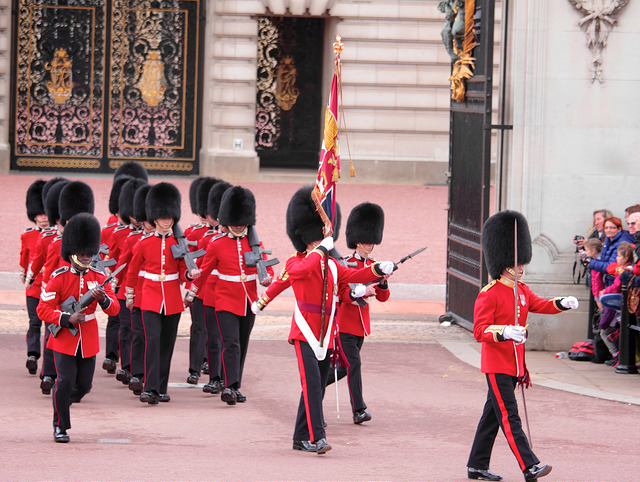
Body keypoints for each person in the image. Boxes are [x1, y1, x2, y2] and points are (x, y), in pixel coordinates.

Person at [253, 186, 395, 455]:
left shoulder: (331, 264)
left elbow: (354, 277)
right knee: (312, 384)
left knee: (316, 386)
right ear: (308, 236)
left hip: (327, 332)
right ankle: (318, 437)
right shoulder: (297, 262)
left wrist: (378, 269)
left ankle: (299, 438)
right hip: (305, 331)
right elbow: (289, 279)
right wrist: (261, 303)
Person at [467, 210, 579, 482]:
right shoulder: (489, 293)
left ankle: (476, 466)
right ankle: (530, 466)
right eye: (515, 264)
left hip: (515, 365)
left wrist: (561, 303)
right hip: (497, 364)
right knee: (510, 417)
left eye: (521, 263)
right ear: (503, 263)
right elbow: (479, 331)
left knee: (492, 417)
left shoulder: (522, 290)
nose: (520, 267)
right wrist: (504, 331)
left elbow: (540, 304)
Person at [36, 213, 120, 443]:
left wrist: (102, 300)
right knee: (64, 381)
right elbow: (43, 309)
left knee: (84, 385)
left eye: (88, 253)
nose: (85, 256)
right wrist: (66, 318)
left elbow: (114, 309)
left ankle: (60, 400)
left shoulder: (99, 276)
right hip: (64, 338)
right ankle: (60, 425)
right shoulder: (59, 278)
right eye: (81, 253)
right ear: (71, 253)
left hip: (88, 338)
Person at [185, 186, 272, 405]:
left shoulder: (255, 243)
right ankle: (229, 386)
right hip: (224, 300)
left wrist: (267, 278)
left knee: (241, 344)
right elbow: (204, 272)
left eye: (242, 222)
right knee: (231, 342)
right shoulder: (217, 244)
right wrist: (193, 290)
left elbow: (264, 266)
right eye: (235, 222)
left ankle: (235, 383)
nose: (239, 225)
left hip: (248, 301)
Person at [125, 182, 201, 404]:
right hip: (149, 298)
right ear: (155, 218)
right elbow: (132, 271)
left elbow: (180, 272)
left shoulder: (179, 243)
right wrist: (130, 296)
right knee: (153, 341)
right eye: (163, 216)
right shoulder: (143, 243)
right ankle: (149, 387)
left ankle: (161, 387)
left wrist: (190, 275)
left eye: (170, 216)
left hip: (172, 299)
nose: (167, 220)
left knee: (167, 345)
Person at [325, 202, 390, 425]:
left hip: (360, 326)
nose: (369, 244)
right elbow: (343, 294)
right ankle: (358, 410)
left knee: (343, 370)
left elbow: (383, 298)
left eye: (372, 240)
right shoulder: (346, 263)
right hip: (344, 326)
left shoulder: (374, 265)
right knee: (354, 365)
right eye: (365, 240)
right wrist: (361, 290)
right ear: (356, 240)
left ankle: (312, 390)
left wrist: (381, 284)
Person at [184, 177, 220, 385]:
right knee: (199, 327)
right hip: (200, 288)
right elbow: (190, 263)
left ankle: (210, 362)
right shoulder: (194, 232)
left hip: (218, 288)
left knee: (215, 330)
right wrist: (190, 286)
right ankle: (194, 368)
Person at [22, 180, 49, 375]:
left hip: (50, 285)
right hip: (34, 284)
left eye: (45, 212)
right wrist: (25, 274)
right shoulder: (28, 235)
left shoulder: (55, 237)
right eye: (39, 213)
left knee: (50, 324)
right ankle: (32, 354)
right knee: (34, 321)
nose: (43, 217)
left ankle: (48, 361)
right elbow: (24, 257)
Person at [597, 242, 635, 366]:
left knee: (605, 331)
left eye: (619, 256)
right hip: (619, 307)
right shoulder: (622, 269)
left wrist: (604, 292)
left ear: (625, 258)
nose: (617, 258)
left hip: (618, 307)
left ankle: (617, 355)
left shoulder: (624, 271)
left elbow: (617, 286)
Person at [587, 216, 634, 288]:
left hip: (617, 283)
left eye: (612, 228)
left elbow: (610, 266)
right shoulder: (609, 239)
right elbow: (604, 260)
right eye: (606, 228)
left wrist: (591, 262)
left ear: (619, 229)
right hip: (609, 280)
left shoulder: (621, 242)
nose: (608, 230)